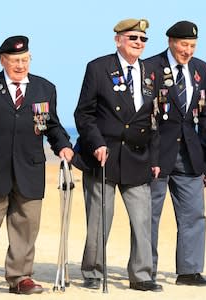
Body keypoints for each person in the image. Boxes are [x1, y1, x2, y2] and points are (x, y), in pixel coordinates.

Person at [0, 35, 74, 295]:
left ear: (30, 59)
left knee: (25, 227)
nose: (20, 65)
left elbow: (51, 126)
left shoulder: (45, 88)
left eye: (25, 60)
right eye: (15, 60)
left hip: (30, 169)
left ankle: (20, 277)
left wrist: (63, 146)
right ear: (3, 60)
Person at [74, 18, 162, 292]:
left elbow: (156, 120)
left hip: (138, 156)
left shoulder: (152, 72)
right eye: (133, 37)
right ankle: (92, 272)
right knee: (100, 219)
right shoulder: (99, 68)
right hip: (104, 156)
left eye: (143, 39)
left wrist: (156, 158)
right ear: (118, 40)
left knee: (142, 220)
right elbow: (84, 114)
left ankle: (141, 275)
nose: (138, 43)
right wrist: (96, 143)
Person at [144, 21, 206, 286]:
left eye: (192, 45)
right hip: (157, 153)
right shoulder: (149, 67)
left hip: (191, 153)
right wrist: (148, 154)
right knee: (150, 216)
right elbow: (144, 115)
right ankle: (146, 271)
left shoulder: (201, 67)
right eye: (183, 44)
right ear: (170, 41)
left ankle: (189, 271)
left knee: (194, 214)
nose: (188, 50)